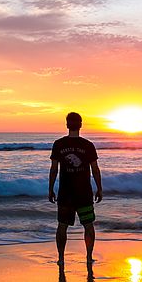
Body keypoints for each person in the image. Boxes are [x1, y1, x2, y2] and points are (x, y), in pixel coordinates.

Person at [48, 111, 102, 268]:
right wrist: (99, 189)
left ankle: (61, 258)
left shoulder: (58, 144)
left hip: (66, 192)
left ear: (67, 125)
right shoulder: (88, 145)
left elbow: (53, 170)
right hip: (84, 193)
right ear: (80, 125)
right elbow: (95, 170)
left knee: (62, 225)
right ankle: (89, 257)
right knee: (88, 225)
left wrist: (50, 189)